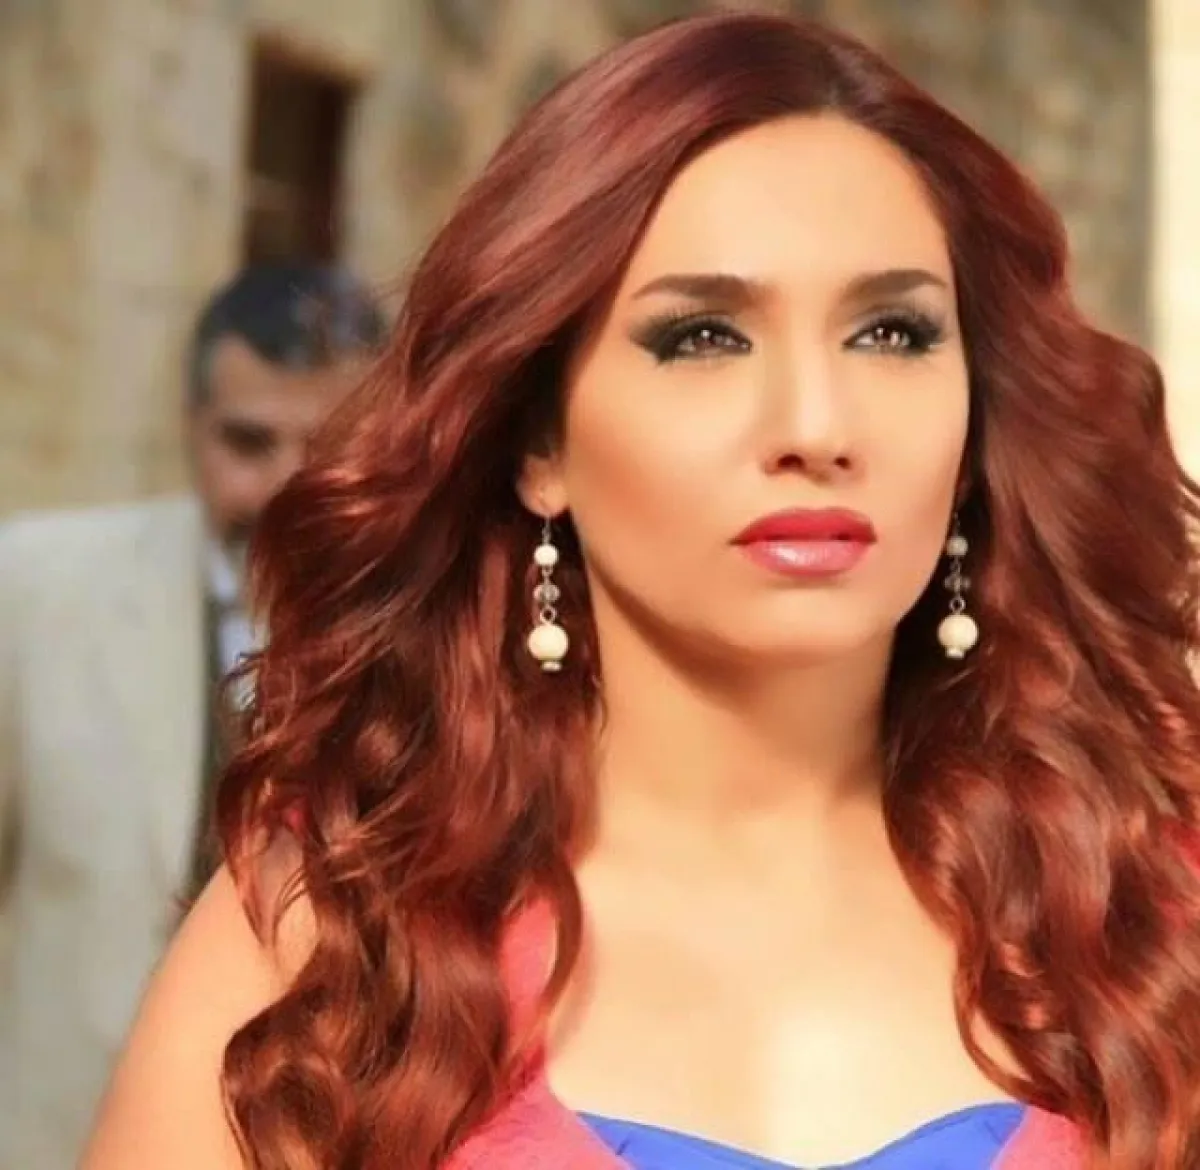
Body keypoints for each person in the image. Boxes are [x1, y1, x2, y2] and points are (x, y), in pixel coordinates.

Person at [83, 13, 1200, 1170]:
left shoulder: (1149, 925)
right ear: (539, 442)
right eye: (704, 337)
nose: (818, 425)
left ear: (973, 429)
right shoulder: (337, 938)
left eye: (891, 332)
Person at [0, 263, 385, 1170]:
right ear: (190, 425)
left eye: (325, 445)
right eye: (249, 443)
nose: (288, 484)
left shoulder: (446, 629)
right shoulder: (35, 590)